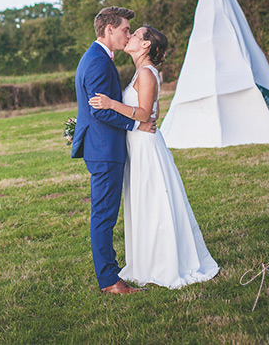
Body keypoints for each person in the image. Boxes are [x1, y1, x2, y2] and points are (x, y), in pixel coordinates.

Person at [89, 25, 220, 289]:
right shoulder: (141, 72)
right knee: (143, 202)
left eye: (135, 35)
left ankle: (164, 262)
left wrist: (111, 103)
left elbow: (144, 113)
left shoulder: (147, 73)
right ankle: (146, 261)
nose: (130, 37)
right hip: (137, 145)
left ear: (146, 45)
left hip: (146, 147)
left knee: (153, 201)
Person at [71, 7, 158, 295]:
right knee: (104, 216)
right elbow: (100, 112)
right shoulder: (96, 62)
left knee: (105, 214)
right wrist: (136, 127)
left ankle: (111, 271)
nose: (127, 34)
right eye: (124, 29)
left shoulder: (97, 58)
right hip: (104, 149)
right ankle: (109, 280)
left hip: (105, 148)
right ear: (109, 30)